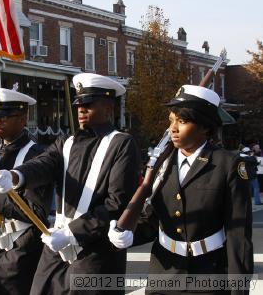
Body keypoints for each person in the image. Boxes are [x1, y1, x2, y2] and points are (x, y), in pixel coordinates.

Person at [0, 73, 141, 294]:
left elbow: (117, 203)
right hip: (57, 247)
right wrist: (15, 176)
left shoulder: (122, 144)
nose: (81, 111)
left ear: (108, 108)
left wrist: (72, 232)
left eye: (88, 105)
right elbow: (43, 164)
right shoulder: (67, 142)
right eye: (79, 105)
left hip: (96, 252)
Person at [109, 85, 254, 295]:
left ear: (205, 127)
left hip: (210, 274)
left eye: (182, 121)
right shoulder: (161, 164)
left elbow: (238, 234)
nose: (173, 129)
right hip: (164, 273)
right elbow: (155, 219)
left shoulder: (227, 165)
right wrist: (129, 234)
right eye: (171, 120)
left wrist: (239, 289)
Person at [0, 88, 54, 295]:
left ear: (23, 120)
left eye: (5, 117)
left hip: (21, 245)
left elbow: (37, 212)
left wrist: (0, 198)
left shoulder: (36, 156)